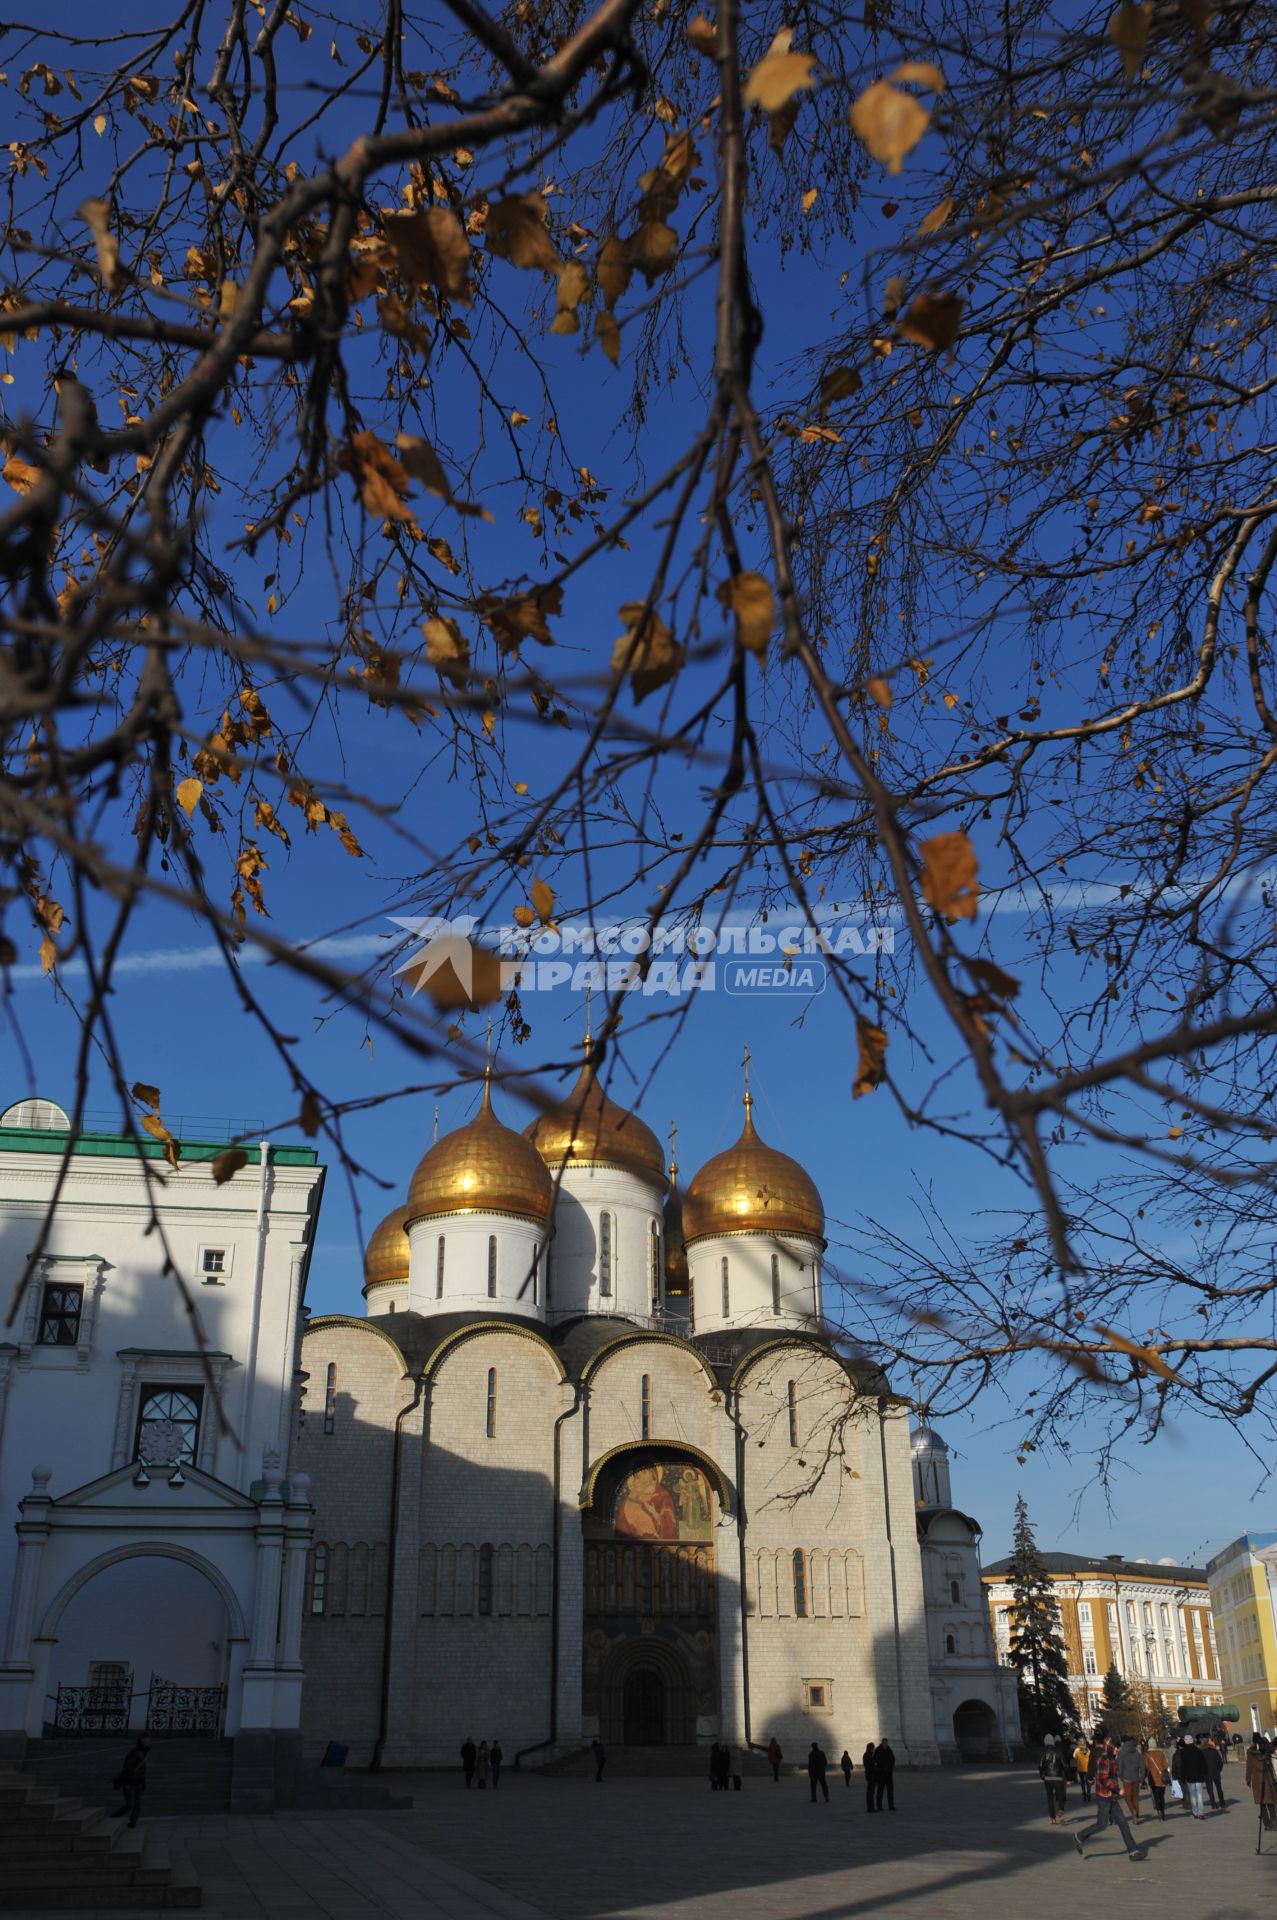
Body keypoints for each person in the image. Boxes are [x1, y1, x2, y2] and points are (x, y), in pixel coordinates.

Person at [1074, 1736, 1147, 1862]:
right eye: (1116, 1747)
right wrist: (1118, 1790)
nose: (1118, 1749)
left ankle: (1133, 1851)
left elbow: (1113, 1775)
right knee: (1101, 1825)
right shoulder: (1104, 1759)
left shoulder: (1112, 1758)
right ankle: (1080, 1836)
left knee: (1123, 1823)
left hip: (1111, 1796)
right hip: (1104, 1796)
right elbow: (1102, 1778)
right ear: (1111, 1747)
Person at [111, 1737, 149, 1829]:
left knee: (137, 1805)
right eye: (146, 1740)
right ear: (141, 1741)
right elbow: (128, 1768)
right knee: (129, 1805)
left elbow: (142, 1770)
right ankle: (111, 1819)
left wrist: (143, 1782)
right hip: (129, 1782)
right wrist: (133, 1778)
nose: (148, 1742)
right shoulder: (133, 1753)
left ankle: (132, 1824)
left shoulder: (143, 1754)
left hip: (137, 1783)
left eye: (149, 1740)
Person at [1245, 1735, 1276, 1829]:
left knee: (1262, 1803)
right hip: (1268, 1778)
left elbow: (1249, 1767)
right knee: (1270, 1801)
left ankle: (1267, 1824)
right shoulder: (1266, 1752)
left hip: (1257, 1780)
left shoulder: (1251, 1753)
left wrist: (1248, 1779)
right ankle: (1274, 1822)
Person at [1039, 1733, 1068, 1825]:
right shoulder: (1059, 1751)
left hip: (1048, 1778)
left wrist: (1042, 1775)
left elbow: (1040, 1766)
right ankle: (1061, 1810)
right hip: (1058, 1777)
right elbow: (1065, 1765)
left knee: (1050, 1797)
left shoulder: (1044, 1752)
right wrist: (1066, 1775)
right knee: (1060, 1796)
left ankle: (1052, 1818)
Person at [1177, 1734, 1208, 1817]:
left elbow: (1182, 1766)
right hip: (1199, 1776)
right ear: (1192, 1741)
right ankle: (1201, 1812)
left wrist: (1182, 1776)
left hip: (1189, 1776)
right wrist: (1205, 1773)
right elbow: (1203, 1763)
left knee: (1193, 1795)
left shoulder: (1183, 1752)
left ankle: (1195, 1812)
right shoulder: (1198, 1751)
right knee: (1199, 1795)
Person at [1116, 1736, 1142, 1821]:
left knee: (1127, 1798)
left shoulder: (1121, 1753)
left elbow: (1119, 1767)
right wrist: (1142, 1777)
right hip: (1136, 1778)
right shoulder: (1137, 1753)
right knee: (1135, 1797)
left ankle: (1133, 1811)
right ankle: (1136, 1814)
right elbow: (1142, 1766)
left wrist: (1120, 1776)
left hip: (1126, 1778)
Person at [1143, 1740, 1169, 1821]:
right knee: (1161, 1797)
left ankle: (1159, 1812)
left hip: (1153, 1779)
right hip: (1162, 1779)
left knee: (1156, 1796)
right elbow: (1166, 1765)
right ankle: (1163, 1812)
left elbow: (1146, 1767)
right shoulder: (1161, 1753)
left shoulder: (1147, 1755)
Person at [873, 1739, 896, 1811]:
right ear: (882, 1743)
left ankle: (891, 1806)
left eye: (886, 1743)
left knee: (890, 1791)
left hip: (888, 1773)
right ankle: (879, 1806)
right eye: (884, 1743)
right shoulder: (877, 1750)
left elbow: (893, 1759)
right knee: (880, 1790)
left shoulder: (889, 1750)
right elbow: (875, 1760)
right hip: (881, 1773)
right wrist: (881, 1766)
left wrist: (890, 1767)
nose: (886, 1744)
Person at [1203, 1736, 1225, 1810]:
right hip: (1215, 1772)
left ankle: (1213, 1804)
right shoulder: (1214, 1751)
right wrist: (1219, 1769)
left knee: (1210, 1789)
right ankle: (1222, 1803)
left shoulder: (1202, 1752)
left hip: (1207, 1773)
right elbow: (1220, 1762)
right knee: (1219, 1788)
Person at [1073, 1736, 1093, 1802]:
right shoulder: (1088, 1750)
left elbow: (1074, 1757)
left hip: (1080, 1768)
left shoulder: (1077, 1750)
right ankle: (1089, 1794)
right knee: (1088, 1782)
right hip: (1087, 1768)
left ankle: (1084, 1793)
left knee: (1082, 1782)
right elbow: (1091, 1758)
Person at [862, 1741, 877, 1812]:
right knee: (870, 1792)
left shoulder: (868, 1755)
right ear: (870, 1748)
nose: (874, 1749)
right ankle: (870, 1808)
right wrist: (875, 1766)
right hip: (871, 1775)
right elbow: (869, 1765)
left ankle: (871, 1807)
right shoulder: (869, 1755)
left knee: (870, 1792)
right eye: (873, 1748)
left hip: (871, 1775)